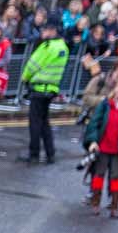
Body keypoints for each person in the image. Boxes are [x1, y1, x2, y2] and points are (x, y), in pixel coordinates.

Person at [81, 74, 118, 217]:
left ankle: (114, 206)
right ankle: (95, 202)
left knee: (115, 176)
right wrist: (93, 141)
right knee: (99, 174)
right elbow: (94, 123)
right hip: (103, 146)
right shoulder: (105, 104)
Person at [19, 18, 68, 163]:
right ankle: (50, 153)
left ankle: (34, 154)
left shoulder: (47, 46)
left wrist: (24, 78)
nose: (42, 33)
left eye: (45, 30)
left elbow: (33, 64)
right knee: (45, 122)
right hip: (52, 88)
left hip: (39, 88)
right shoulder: (63, 47)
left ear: (52, 31)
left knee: (35, 123)